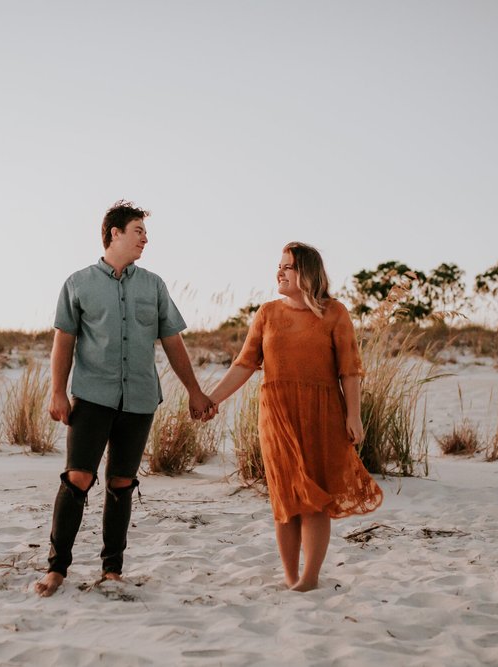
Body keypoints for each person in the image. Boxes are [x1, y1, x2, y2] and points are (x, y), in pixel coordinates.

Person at [34, 200, 216, 597]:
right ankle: (56, 569)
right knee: (77, 478)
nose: (145, 239)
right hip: (92, 396)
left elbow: (172, 340)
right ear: (114, 233)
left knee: (121, 483)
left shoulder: (153, 285)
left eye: (145, 234)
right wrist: (57, 392)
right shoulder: (78, 283)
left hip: (140, 399)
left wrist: (194, 391)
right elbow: (63, 340)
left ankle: (111, 570)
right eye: (138, 231)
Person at [207, 242, 383, 592]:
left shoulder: (334, 313)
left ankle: (309, 578)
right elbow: (244, 364)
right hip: (276, 415)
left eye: (287, 266)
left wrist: (354, 416)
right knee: (285, 497)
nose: (280, 271)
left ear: (307, 273)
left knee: (315, 497)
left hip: (322, 416)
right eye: (279, 265)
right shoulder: (268, 313)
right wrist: (210, 399)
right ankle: (290, 577)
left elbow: (348, 371)